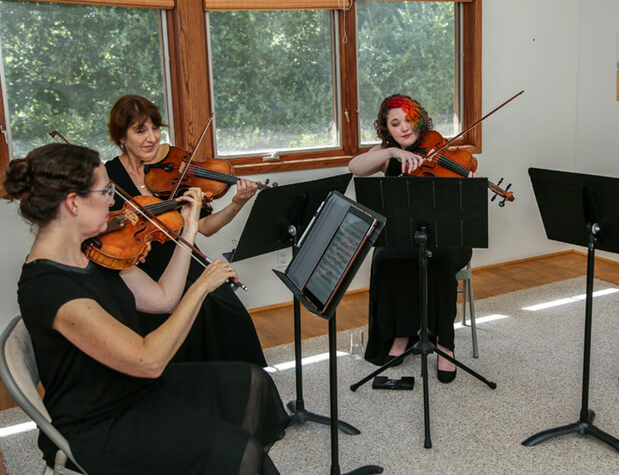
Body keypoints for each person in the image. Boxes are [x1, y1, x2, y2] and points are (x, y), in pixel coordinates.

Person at [4, 143, 289, 473]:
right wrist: (201, 287)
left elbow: (163, 299)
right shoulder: (50, 288)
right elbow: (149, 360)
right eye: (107, 190)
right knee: (237, 450)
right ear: (73, 203)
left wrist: (189, 229)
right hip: (99, 423)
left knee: (253, 383)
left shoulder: (95, 251)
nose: (114, 201)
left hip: (131, 388)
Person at [105, 95, 266, 366]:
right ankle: (197, 379)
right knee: (201, 309)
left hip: (183, 258)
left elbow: (204, 227)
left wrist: (237, 203)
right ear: (121, 137)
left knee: (226, 306)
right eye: (140, 130)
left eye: (155, 128)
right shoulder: (108, 177)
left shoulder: (170, 173)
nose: (152, 138)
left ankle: (241, 380)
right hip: (142, 268)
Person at [348, 94, 472, 383]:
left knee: (437, 262)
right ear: (386, 129)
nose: (403, 128)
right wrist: (392, 154)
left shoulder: (443, 150)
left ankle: (444, 346)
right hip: (403, 236)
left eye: (407, 119)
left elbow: (464, 204)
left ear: (419, 120)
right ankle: (401, 336)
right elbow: (354, 167)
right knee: (387, 259)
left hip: (446, 238)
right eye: (394, 123)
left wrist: (471, 182)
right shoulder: (385, 154)